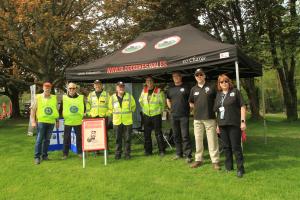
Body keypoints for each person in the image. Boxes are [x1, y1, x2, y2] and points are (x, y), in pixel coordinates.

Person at [213, 74, 246, 178]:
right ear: (219, 84)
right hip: (222, 125)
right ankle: (229, 167)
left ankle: (240, 169)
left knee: (236, 147)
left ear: (229, 82)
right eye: (221, 82)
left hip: (234, 124)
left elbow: (242, 106)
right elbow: (216, 111)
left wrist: (243, 121)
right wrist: (217, 125)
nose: (224, 83)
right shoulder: (218, 95)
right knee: (226, 147)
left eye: (226, 81)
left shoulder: (235, 92)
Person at [189, 68, 220, 170]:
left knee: (212, 140)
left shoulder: (211, 86)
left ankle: (215, 161)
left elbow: (217, 99)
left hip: (209, 117)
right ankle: (198, 160)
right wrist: (196, 109)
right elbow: (191, 102)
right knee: (198, 140)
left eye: (201, 75)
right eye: (197, 75)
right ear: (195, 77)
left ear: (204, 75)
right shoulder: (193, 89)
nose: (199, 77)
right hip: (197, 119)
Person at [166, 71, 193, 163]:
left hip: (184, 115)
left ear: (181, 77)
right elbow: (168, 100)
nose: (176, 78)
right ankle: (178, 153)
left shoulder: (186, 87)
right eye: (174, 76)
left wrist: (190, 110)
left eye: (177, 76)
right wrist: (171, 109)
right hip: (173, 115)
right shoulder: (170, 89)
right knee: (176, 135)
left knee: (185, 136)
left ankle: (188, 155)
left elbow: (191, 101)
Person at [31, 81, 59, 165]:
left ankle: (45, 155)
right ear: (43, 88)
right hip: (41, 122)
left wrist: (57, 121)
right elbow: (33, 109)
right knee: (39, 140)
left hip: (51, 122)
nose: (47, 88)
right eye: (46, 87)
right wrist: (33, 121)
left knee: (47, 140)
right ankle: (37, 157)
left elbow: (56, 110)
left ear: (51, 89)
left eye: (49, 87)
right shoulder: (38, 97)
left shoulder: (54, 97)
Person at [108, 81, 136, 160]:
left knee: (127, 139)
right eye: (120, 87)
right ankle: (118, 154)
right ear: (116, 88)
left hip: (127, 121)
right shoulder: (112, 98)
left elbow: (133, 107)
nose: (121, 88)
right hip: (117, 122)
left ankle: (127, 154)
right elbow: (110, 109)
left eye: (122, 87)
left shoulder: (129, 97)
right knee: (118, 139)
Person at [139, 76, 166, 156]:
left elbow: (163, 103)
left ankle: (161, 150)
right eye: (147, 81)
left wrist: (159, 112)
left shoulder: (159, 91)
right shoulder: (144, 91)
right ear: (146, 83)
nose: (149, 83)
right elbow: (140, 101)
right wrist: (144, 110)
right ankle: (148, 151)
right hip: (146, 115)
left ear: (153, 82)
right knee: (147, 134)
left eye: (150, 81)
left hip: (156, 115)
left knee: (158, 133)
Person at [60, 82, 85, 159]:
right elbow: (60, 109)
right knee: (66, 138)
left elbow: (84, 108)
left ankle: (80, 153)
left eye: (73, 88)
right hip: (68, 121)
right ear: (68, 89)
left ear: (76, 89)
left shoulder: (81, 97)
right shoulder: (64, 98)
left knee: (79, 138)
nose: (71, 90)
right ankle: (65, 154)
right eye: (70, 88)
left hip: (78, 121)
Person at [86, 80, 110, 153]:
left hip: (103, 117)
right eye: (96, 85)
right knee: (94, 133)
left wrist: (107, 114)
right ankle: (96, 150)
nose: (97, 86)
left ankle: (106, 148)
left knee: (104, 133)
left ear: (101, 85)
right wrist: (89, 113)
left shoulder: (106, 94)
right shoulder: (90, 95)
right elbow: (88, 105)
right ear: (94, 86)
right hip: (94, 116)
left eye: (99, 84)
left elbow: (110, 106)